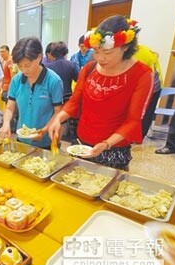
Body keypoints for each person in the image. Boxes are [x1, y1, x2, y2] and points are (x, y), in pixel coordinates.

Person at [48, 16, 153, 171]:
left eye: (107, 52)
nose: (99, 58)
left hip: (113, 149)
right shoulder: (89, 68)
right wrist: (58, 119)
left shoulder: (141, 74)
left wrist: (106, 144)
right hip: (81, 144)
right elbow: (74, 102)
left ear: (125, 46)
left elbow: (133, 121)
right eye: (96, 51)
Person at [0, 37, 64, 149]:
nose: (24, 70)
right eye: (20, 66)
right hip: (22, 140)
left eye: (27, 65)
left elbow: (58, 112)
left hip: (45, 141)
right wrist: (6, 124)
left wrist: (45, 130)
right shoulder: (16, 80)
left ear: (39, 57)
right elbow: (10, 107)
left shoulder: (53, 81)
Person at [47, 42, 79, 142]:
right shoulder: (72, 65)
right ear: (65, 53)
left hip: (53, 99)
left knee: (54, 119)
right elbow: (79, 80)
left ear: (52, 53)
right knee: (62, 122)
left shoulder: (48, 67)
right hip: (67, 98)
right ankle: (58, 141)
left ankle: (53, 141)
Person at [134, 44, 163, 137]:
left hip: (152, 86)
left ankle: (138, 137)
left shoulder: (139, 53)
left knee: (145, 113)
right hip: (147, 83)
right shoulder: (141, 49)